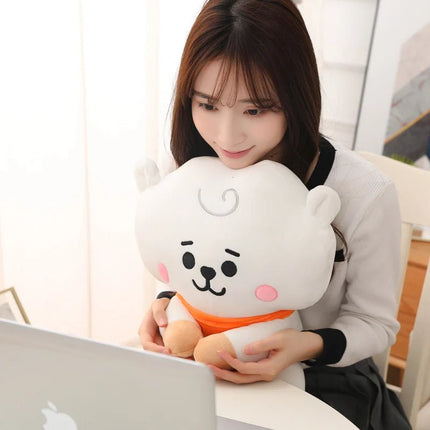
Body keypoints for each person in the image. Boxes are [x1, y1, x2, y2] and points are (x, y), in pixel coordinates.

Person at [138, 1, 411, 428]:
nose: (227, 136)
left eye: (255, 110)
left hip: (324, 380)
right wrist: (165, 304)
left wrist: (302, 345)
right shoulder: (191, 166)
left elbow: (375, 323)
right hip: (209, 368)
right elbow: (182, 265)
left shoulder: (363, 192)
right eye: (208, 105)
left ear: (295, 99)